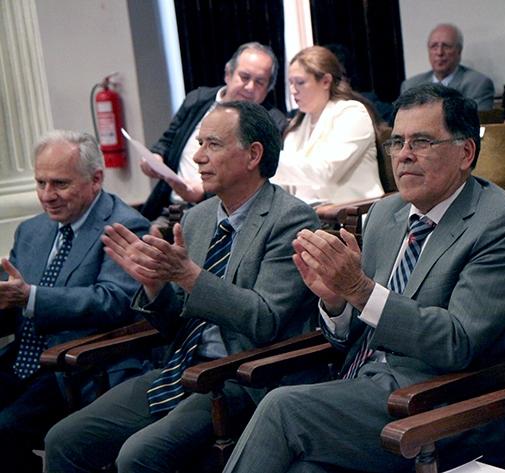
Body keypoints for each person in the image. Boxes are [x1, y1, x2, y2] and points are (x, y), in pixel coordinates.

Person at [223, 84, 505, 473]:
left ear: (465, 152)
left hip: (442, 406)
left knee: (281, 407)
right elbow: (356, 327)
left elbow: (458, 342)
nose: (404, 156)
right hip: (362, 388)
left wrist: (359, 289)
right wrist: (337, 302)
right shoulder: (387, 214)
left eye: (421, 141)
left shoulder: (500, 223)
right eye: (397, 142)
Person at [44, 101, 319, 473]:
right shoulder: (199, 217)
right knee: (63, 439)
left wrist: (189, 275)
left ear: (254, 154)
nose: (198, 156)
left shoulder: (291, 218)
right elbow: (175, 327)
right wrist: (156, 286)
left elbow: (264, 319)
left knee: (138, 455)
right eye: (199, 143)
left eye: (213, 145)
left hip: (239, 378)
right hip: (179, 368)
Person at [0, 130, 149, 473]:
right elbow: (16, 300)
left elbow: (115, 300)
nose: (47, 196)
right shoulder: (31, 230)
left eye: (60, 184)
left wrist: (32, 297)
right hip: (22, 360)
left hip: (76, 368)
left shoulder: (125, 226)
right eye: (40, 183)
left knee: (7, 426)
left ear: (96, 180)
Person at [140, 42, 288, 222]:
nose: (250, 87)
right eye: (244, 77)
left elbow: (258, 179)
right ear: (228, 74)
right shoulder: (198, 99)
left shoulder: (272, 122)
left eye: (259, 82)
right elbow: (167, 142)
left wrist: (202, 192)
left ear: (269, 88)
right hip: (168, 208)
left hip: (222, 214)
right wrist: (155, 158)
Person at [271, 45, 384, 204]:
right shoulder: (296, 127)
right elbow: (286, 186)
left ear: (325, 81)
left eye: (300, 82)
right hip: (307, 216)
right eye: (290, 83)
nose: (293, 90)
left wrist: (268, 159)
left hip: (350, 215)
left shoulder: (352, 113)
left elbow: (326, 171)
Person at [400, 24, 495, 111]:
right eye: (434, 46)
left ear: (459, 51)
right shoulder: (410, 86)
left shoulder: (477, 84)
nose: (439, 53)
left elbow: (479, 125)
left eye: (446, 46)